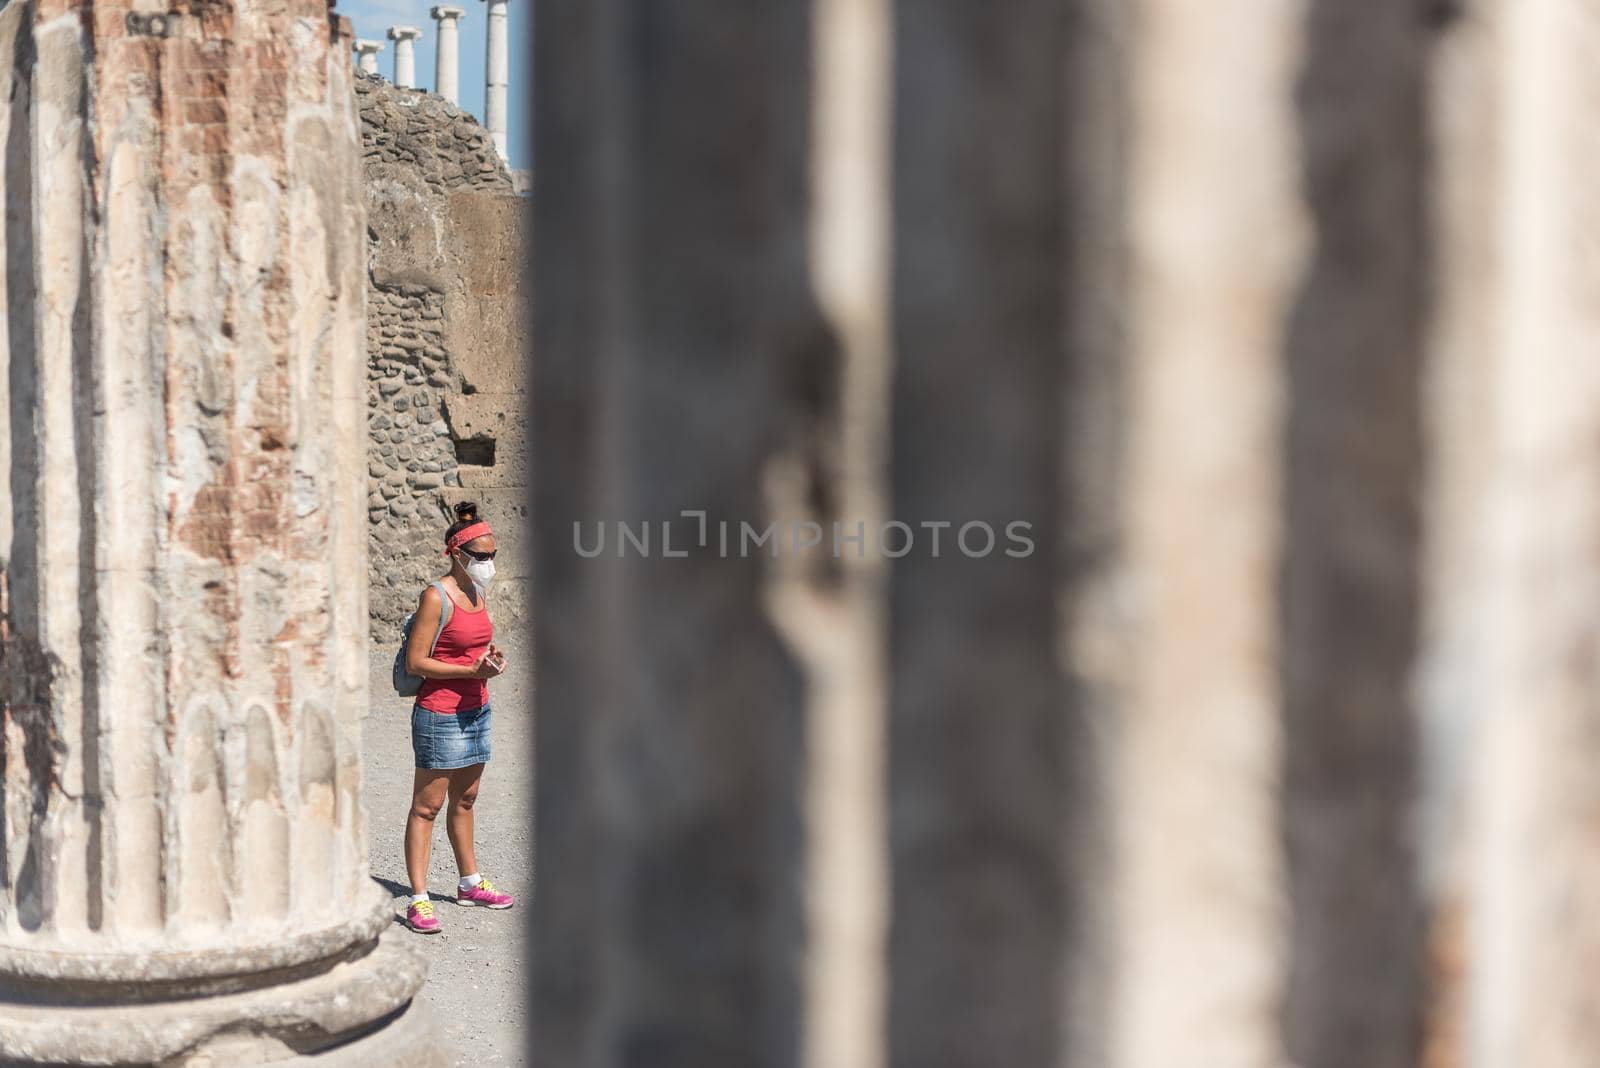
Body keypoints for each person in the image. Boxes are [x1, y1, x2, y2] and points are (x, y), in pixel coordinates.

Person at [402, 500, 514, 934]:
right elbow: (416, 662)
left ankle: (469, 882)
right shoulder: (437, 595)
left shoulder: (477, 593)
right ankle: (419, 898)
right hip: (440, 713)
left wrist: (488, 660)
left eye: (493, 555)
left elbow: (471, 647)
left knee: (466, 801)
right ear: (456, 554)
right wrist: (470, 670)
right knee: (427, 807)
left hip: (476, 710)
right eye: (481, 556)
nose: (488, 563)